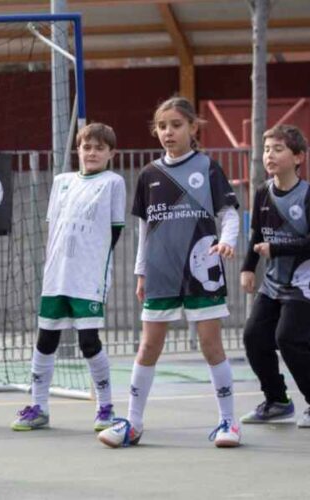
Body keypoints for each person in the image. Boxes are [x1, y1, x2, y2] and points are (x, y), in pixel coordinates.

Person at [98, 96, 242, 449]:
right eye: (162, 126)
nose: (167, 132)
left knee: (211, 344)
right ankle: (132, 423)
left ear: (193, 128)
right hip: (161, 273)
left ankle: (229, 421)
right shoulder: (149, 174)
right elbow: (145, 230)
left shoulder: (208, 167)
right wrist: (141, 273)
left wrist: (226, 242)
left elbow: (230, 213)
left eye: (175, 125)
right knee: (148, 345)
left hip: (202, 272)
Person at [11, 123, 125, 432]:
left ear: (111, 153)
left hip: (88, 276)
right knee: (46, 339)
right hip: (56, 275)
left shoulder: (113, 183)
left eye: (100, 148)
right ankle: (39, 407)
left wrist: (92, 259)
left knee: (89, 341)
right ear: (78, 150)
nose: (92, 153)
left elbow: (115, 230)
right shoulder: (61, 182)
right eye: (87, 147)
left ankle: (105, 406)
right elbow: (54, 226)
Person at [240, 124, 310, 428]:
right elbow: (257, 234)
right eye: (267, 149)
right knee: (254, 337)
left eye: (278, 149)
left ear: (298, 157)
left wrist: (277, 249)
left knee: (289, 340)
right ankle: (278, 400)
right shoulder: (262, 193)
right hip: (273, 282)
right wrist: (247, 268)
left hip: (306, 282)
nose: (270, 155)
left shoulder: (308, 197)